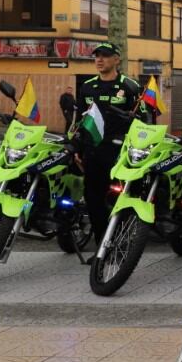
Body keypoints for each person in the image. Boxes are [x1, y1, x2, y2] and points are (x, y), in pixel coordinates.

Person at [75, 42, 144, 245]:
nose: (99, 59)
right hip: (93, 152)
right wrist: (76, 148)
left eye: (105, 55)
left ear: (116, 59)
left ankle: (122, 239)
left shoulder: (130, 87)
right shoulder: (88, 87)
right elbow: (79, 120)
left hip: (120, 154)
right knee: (93, 199)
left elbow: (143, 121)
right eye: (97, 56)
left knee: (119, 199)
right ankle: (101, 245)